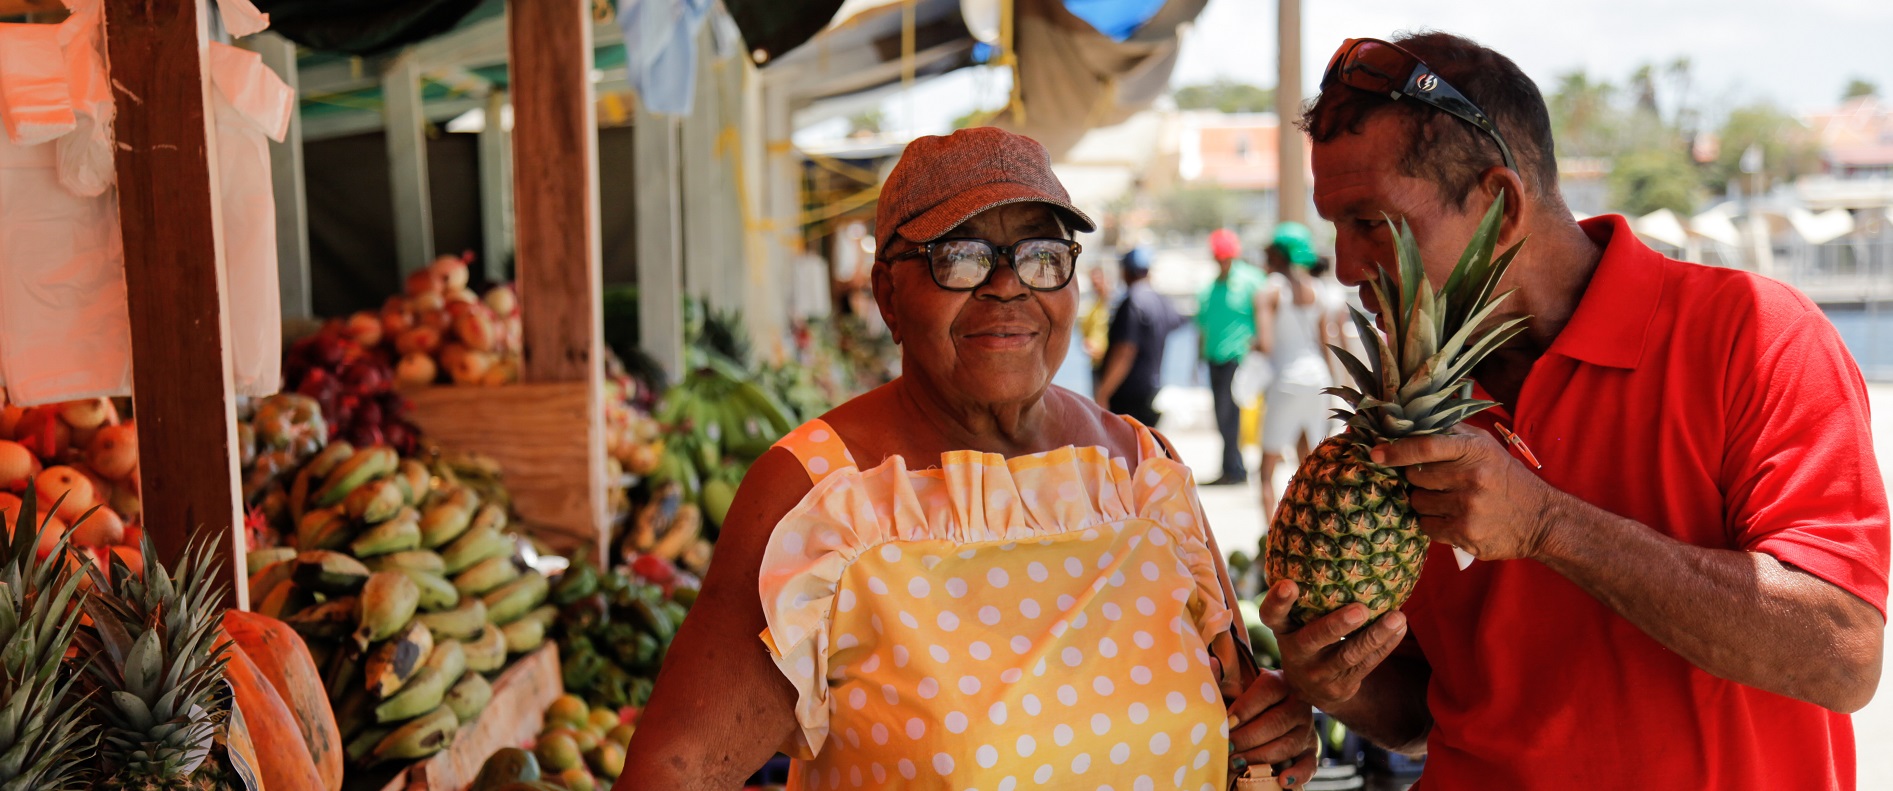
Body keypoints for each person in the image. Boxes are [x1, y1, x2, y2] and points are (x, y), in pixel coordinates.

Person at [1257, 31, 1889, 790]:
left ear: (1499, 201)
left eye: (1371, 223)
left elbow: (1840, 654)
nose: (1347, 268)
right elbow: (1420, 712)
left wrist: (1550, 525)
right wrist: (1337, 679)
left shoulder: (1751, 335)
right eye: (1335, 228)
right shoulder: (1404, 414)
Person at [624, 127, 1319, 790]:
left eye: (1042, 255)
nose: (1008, 286)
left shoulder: (1143, 472)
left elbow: (1239, 712)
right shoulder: (822, 497)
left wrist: (1273, 730)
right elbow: (677, 773)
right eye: (959, 255)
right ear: (888, 295)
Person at [1252, 222, 1334, 521]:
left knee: (1266, 471)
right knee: (1310, 465)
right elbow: (1326, 344)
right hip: (1319, 381)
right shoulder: (1318, 289)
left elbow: (1265, 343)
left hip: (1285, 381)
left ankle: (1271, 541)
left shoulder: (1270, 289)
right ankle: (1312, 530)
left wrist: (1250, 348)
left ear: (1275, 254)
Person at [1196, 228, 1269, 486]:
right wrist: (1196, 361)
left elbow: (1267, 315)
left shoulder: (1252, 280)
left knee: (1234, 415)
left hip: (1240, 359)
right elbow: (1202, 328)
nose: (1222, 262)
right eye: (1219, 258)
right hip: (1215, 359)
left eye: (1226, 257)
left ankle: (1235, 469)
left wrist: (1261, 345)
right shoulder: (1209, 288)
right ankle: (1231, 466)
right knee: (1222, 415)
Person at [1095, 246, 1182, 427]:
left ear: (1126, 271)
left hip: (1128, 393)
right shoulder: (1160, 300)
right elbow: (1177, 322)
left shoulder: (1132, 302)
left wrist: (1104, 391)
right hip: (1152, 386)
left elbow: (1125, 351)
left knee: (1126, 451)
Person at [1079, 264, 1115, 387]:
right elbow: (1084, 334)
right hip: (1097, 364)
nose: (1097, 285)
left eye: (1099, 280)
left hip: (1113, 364)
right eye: (1093, 282)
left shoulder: (1115, 305)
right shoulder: (1091, 308)